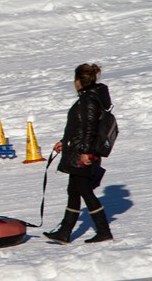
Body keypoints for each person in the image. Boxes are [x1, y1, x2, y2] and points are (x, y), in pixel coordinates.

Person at [43, 63, 114, 244]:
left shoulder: (88, 99)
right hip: (77, 149)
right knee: (74, 191)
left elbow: (90, 128)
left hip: (82, 153)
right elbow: (80, 127)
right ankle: (64, 232)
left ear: (78, 81)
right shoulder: (92, 97)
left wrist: (85, 152)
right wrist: (64, 141)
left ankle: (103, 231)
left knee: (84, 190)